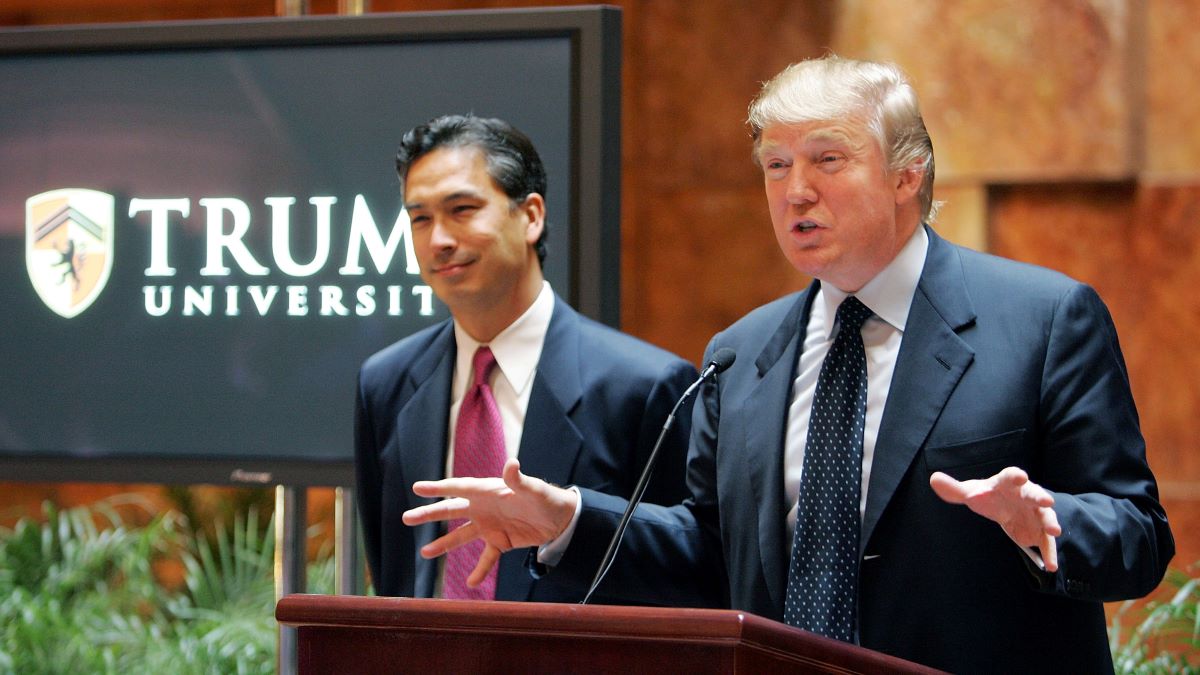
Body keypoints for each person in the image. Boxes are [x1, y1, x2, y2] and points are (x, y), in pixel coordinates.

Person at [401, 58, 1174, 672]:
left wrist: (1046, 523)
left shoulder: (1043, 319)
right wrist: (568, 518)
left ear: (908, 174)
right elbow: (707, 551)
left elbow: (1139, 533)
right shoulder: (742, 352)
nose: (795, 190)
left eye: (826, 159)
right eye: (775, 166)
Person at [354, 114, 698, 604]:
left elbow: (688, 570)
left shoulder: (644, 386)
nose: (439, 240)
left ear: (531, 216)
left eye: (462, 209)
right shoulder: (385, 382)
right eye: (420, 218)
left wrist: (568, 524)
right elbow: (393, 574)